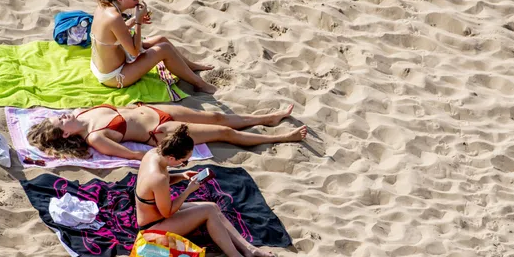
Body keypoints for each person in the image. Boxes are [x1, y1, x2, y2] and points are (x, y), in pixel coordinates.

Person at [135, 125, 274, 257]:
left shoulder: (153, 154)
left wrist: (181, 175)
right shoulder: (158, 178)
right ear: (171, 157)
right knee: (208, 211)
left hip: (155, 212)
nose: (184, 164)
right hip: (151, 228)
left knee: (212, 206)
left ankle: (248, 248)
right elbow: (167, 212)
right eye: (184, 162)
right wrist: (188, 190)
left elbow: (156, 185)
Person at [27, 103, 307, 160]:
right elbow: (133, 156)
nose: (63, 116)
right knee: (222, 131)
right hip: (160, 129)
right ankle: (281, 137)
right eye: (60, 122)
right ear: (65, 135)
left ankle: (267, 117)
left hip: (153, 108)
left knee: (216, 116)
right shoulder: (96, 137)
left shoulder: (81, 113)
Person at [91, 0, 217, 93]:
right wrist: (138, 23)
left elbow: (115, 32)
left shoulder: (104, 6)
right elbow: (134, 51)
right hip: (114, 77)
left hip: (103, 66)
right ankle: (199, 84)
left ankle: (191, 66)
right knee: (164, 49)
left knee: (160, 39)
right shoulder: (114, 17)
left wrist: (134, 20)